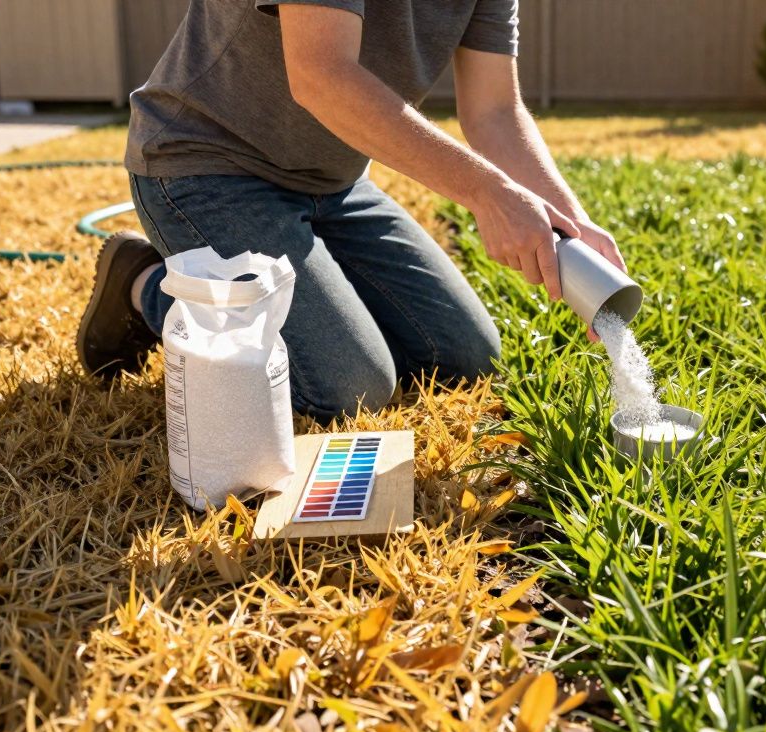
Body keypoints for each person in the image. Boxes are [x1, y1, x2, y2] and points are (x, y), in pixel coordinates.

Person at [76, 0, 625, 422]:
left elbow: (495, 112)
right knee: (348, 388)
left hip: (332, 185)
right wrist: (487, 193)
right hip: (207, 168)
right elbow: (321, 76)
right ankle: (144, 280)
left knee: (462, 356)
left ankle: (283, 288)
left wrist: (573, 225)